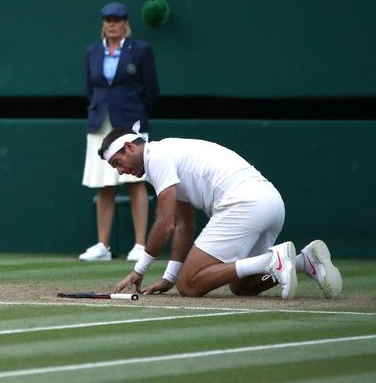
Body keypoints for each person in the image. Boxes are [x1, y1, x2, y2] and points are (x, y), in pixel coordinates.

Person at [99, 126, 343, 300]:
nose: (120, 172)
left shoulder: (157, 157)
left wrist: (139, 270)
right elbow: (185, 225)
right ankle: (303, 261)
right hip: (272, 204)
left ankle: (273, 260)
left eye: (117, 163)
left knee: (190, 285)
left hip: (244, 204)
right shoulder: (166, 156)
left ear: (130, 147)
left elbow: (165, 224)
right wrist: (169, 276)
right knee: (241, 286)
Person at [79, 2, 159, 262]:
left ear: (126, 23)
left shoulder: (141, 50)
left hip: (130, 125)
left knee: (135, 183)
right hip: (100, 124)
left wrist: (133, 114)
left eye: (117, 19)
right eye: (108, 20)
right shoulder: (91, 52)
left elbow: (151, 91)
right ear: (103, 23)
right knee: (104, 185)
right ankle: (103, 245)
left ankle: (139, 245)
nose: (112, 24)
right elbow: (89, 90)